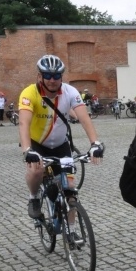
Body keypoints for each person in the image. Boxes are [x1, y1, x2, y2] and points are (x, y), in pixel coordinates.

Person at [19, 54, 104, 219]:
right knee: (36, 172)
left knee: (70, 189)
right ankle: (34, 197)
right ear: (40, 76)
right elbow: (24, 123)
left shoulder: (70, 91)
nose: (52, 80)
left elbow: (84, 118)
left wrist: (95, 143)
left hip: (61, 145)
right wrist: (27, 150)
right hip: (37, 145)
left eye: (57, 76)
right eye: (48, 76)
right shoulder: (29, 93)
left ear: (61, 76)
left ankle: (72, 232)